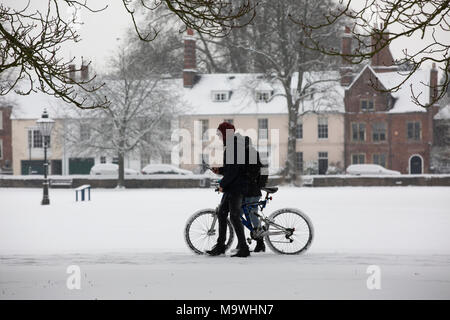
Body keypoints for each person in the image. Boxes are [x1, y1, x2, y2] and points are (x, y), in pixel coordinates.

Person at [207, 122, 250, 258]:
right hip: (233, 186)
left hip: (236, 187)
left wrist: (222, 184)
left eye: (220, 134)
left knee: (234, 216)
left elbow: (234, 170)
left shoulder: (234, 146)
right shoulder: (232, 145)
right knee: (222, 213)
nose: (219, 137)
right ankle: (221, 246)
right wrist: (220, 170)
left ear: (226, 133)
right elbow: (231, 168)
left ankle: (243, 248)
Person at [242, 136, 268, 253]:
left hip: (251, 191)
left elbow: (251, 172)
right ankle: (257, 242)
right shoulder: (251, 153)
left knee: (250, 215)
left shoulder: (250, 153)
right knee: (248, 214)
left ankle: (259, 242)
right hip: (251, 190)